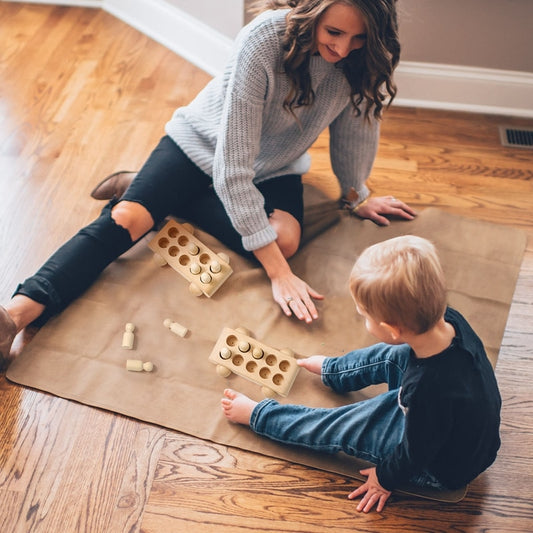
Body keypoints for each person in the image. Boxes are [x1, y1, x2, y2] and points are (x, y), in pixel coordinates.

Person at [0, 0, 416, 364]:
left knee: (283, 241)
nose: (343, 49)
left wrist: (357, 194)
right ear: (313, 10)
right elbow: (232, 165)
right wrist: (278, 275)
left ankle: (156, 194)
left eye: (358, 39)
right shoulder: (263, 40)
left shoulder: (365, 59)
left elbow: (357, 128)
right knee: (125, 220)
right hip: (202, 146)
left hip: (274, 167)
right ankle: (15, 316)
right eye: (335, 32)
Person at [221, 235, 501, 513]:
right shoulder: (449, 320)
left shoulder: (427, 390)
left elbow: (416, 453)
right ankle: (336, 370)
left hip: (440, 467)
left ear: (392, 330)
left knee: (351, 423)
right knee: (396, 354)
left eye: (365, 316)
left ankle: (261, 416)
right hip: (456, 425)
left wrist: (385, 478)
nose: (363, 320)